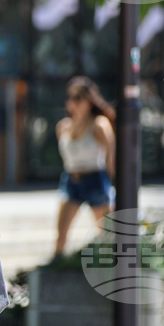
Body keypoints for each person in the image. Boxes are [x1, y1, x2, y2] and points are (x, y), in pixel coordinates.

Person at [53, 76, 116, 258]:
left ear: (89, 100)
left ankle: (112, 268)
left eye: (78, 97)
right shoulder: (63, 127)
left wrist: (115, 186)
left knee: (107, 233)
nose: (73, 102)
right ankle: (58, 267)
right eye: (70, 97)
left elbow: (111, 158)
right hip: (71, 179)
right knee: (61, 235)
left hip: (95, 178)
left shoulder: (99, 125)